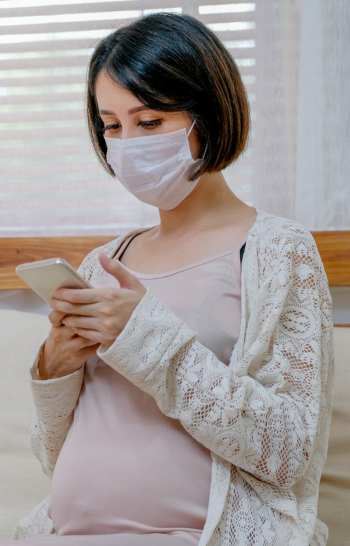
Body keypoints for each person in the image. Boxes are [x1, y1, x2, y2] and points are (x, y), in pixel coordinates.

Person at [8, 12, 334, 546]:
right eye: (112, 126)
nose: (127, 143)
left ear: (207, 113)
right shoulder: (102, 264)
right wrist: (55, 371)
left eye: (150, 121)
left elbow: (288, 452)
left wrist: (144, 337)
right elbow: (53, 456)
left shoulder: (278, 250)